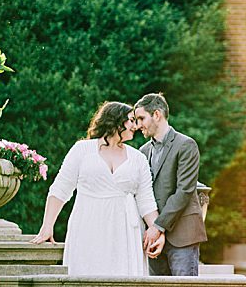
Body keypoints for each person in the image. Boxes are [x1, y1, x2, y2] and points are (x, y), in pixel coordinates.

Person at [30, 101, 164, 275]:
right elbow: (60, 189)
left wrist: (158, 232)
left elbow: (146, 201)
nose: (136, 126)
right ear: (115, 121)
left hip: (124, 230)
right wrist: (47, 226)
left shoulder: (138, 159)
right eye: (131, 120)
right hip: (88, 225)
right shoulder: (82, 150)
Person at [133, 93, 206, 287]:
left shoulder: (186, 145)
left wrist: (159, 226)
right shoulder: (143, 151)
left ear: (157, 114)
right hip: (155, 239)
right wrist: (153, 230)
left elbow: (184, 191)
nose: (138, 124)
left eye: (141, 118)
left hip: (182, 235)